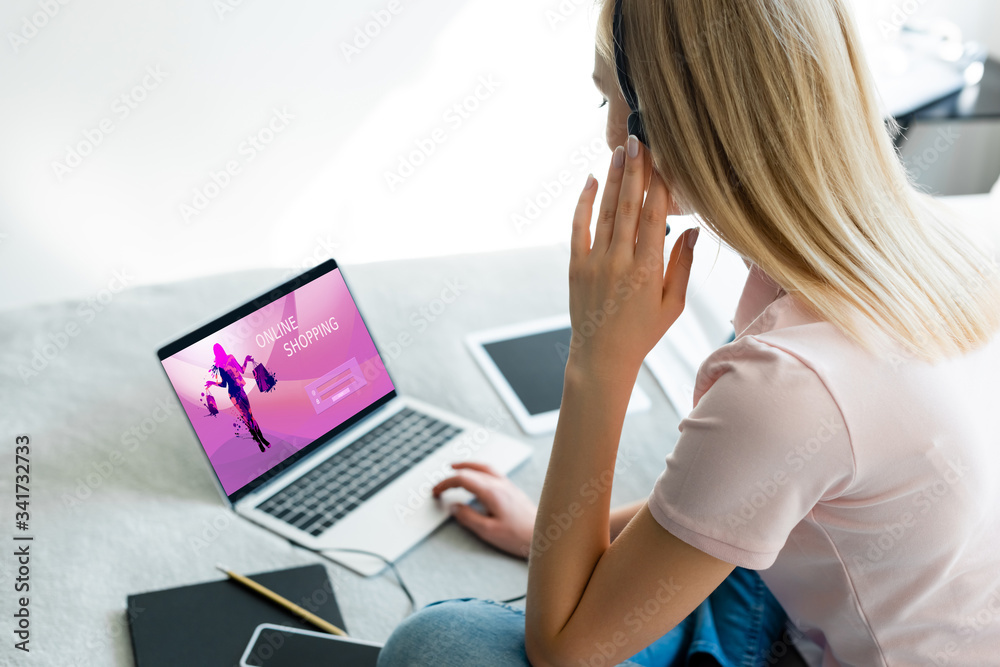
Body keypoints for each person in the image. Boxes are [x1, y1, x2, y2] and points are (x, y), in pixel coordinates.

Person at [376, 0, 1000, 665]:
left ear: (664, 124)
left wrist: (600, 355)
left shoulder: (791, 383)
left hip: (822, 644)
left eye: (607, 102)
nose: (610, 135)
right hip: (810, 587)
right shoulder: (933, 239)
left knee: (440, 646)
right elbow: (742, 485)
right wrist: (545, 532)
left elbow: (565, 649)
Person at [205, 343, 271, 452]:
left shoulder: (229, 359)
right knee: (248, 417)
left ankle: (261, 440)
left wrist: (246, 360)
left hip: (237, 391)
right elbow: (224, 383)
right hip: (234, 393)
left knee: (249, 416)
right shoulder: (221, 365)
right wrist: (213, 382)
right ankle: (260, 441)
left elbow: (241, 371)